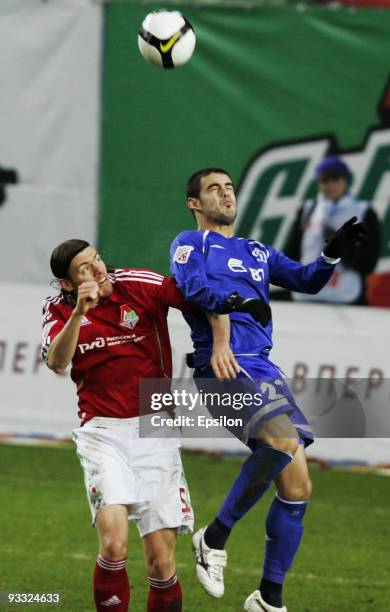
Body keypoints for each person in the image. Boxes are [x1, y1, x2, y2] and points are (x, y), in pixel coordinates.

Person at [169, 168, 367, 612]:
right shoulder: (189, 243)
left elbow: (304, 279)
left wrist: (329, 257)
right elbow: (194, 287)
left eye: (229, 187)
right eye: (214, 189)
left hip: (264, 368)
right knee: (282, 440)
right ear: (195, 203)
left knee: (298, 486)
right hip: (221, 366)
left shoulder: (255, 250)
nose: (225, 194)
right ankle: (213, 537)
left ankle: (269, 598)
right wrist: (236, 302)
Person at [41, 239, 201, 612]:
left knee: (161, 564)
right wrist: (80, 312)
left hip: (155, 426)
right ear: (67, 284)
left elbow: (197, 300)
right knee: (113, 545)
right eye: (84, 268)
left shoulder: (139, 284)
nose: (98, 269)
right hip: (102, 432)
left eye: (97, 258)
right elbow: (56, 362)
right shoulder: (59, 309)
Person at [284, 155, 380, 305]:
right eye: (324, 180)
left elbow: (368, 262)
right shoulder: (308, 210)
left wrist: (341, 248)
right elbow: (291, 253)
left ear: (345, 180)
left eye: (335, 179)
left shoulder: (363, 212)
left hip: (345, 298)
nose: (330, 184)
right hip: (306, 299)